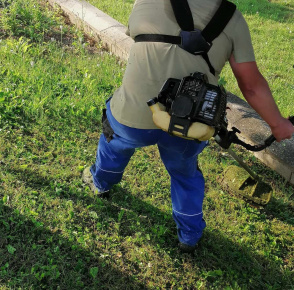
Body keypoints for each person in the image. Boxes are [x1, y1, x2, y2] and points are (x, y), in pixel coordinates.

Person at [82, 0, 294, 253]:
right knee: (185, 174)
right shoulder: (232, 19)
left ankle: (100, 184)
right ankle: (189, 236)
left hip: (133, 113)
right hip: (191, 124)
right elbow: (251, 85)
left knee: (113, 147)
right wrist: (278, 124)